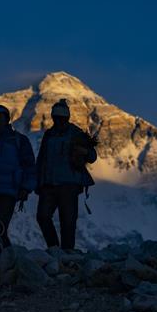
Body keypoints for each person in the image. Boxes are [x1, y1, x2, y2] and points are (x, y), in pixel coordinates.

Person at [0, 104, 36, 266]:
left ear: (6, 118)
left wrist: (26, 188)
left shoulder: (19, 141)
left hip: (8, 191)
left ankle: (4, 262)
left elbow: (30, 166)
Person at [35, 99, 97, 251]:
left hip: (69, 185)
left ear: (67, 118)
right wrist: (38, 181)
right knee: (43, 217)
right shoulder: (49, 135)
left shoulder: (76, 134)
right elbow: (41, 159)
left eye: (61, 118)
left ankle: (67, 252)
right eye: (56, 118)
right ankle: (55, 249)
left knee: (68, 221)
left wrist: (85, 152)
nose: (59, 121)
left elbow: (92, 156)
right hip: (49, 185)